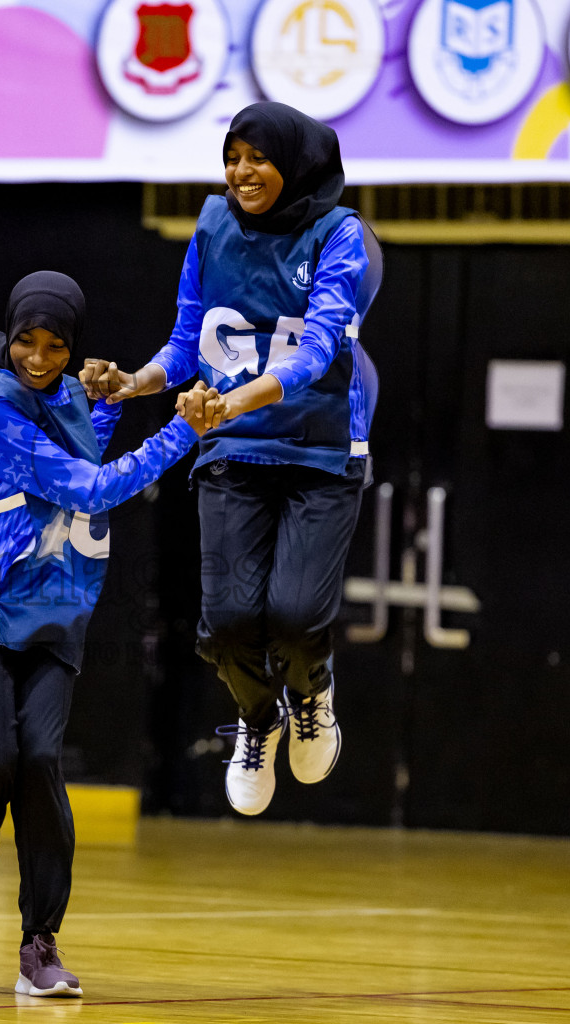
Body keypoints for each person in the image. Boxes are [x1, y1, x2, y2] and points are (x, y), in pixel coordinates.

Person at [81, 101, 381, 816]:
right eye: (232, 156)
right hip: (233, 445)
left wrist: (233, 401)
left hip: (320, 444)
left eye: (258, 158)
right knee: (225, 622)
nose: (241, 172)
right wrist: (136, 383)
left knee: (298, 614)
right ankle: (258, 720)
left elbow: (320, 348)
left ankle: (312, 696)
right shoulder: (213, 225)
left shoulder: (339, 235)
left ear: (297, 163)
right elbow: (188, 342)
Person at [0, 271, 213, 998]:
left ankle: (38, 941)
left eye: (56, 346)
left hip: (54, 606)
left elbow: (82, 452)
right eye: (27, 341)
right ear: (8, 336)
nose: (40, 358)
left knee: (42, 762)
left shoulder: (63, 394)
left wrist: (112, 394)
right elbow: (89, 488)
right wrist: (186, 428)